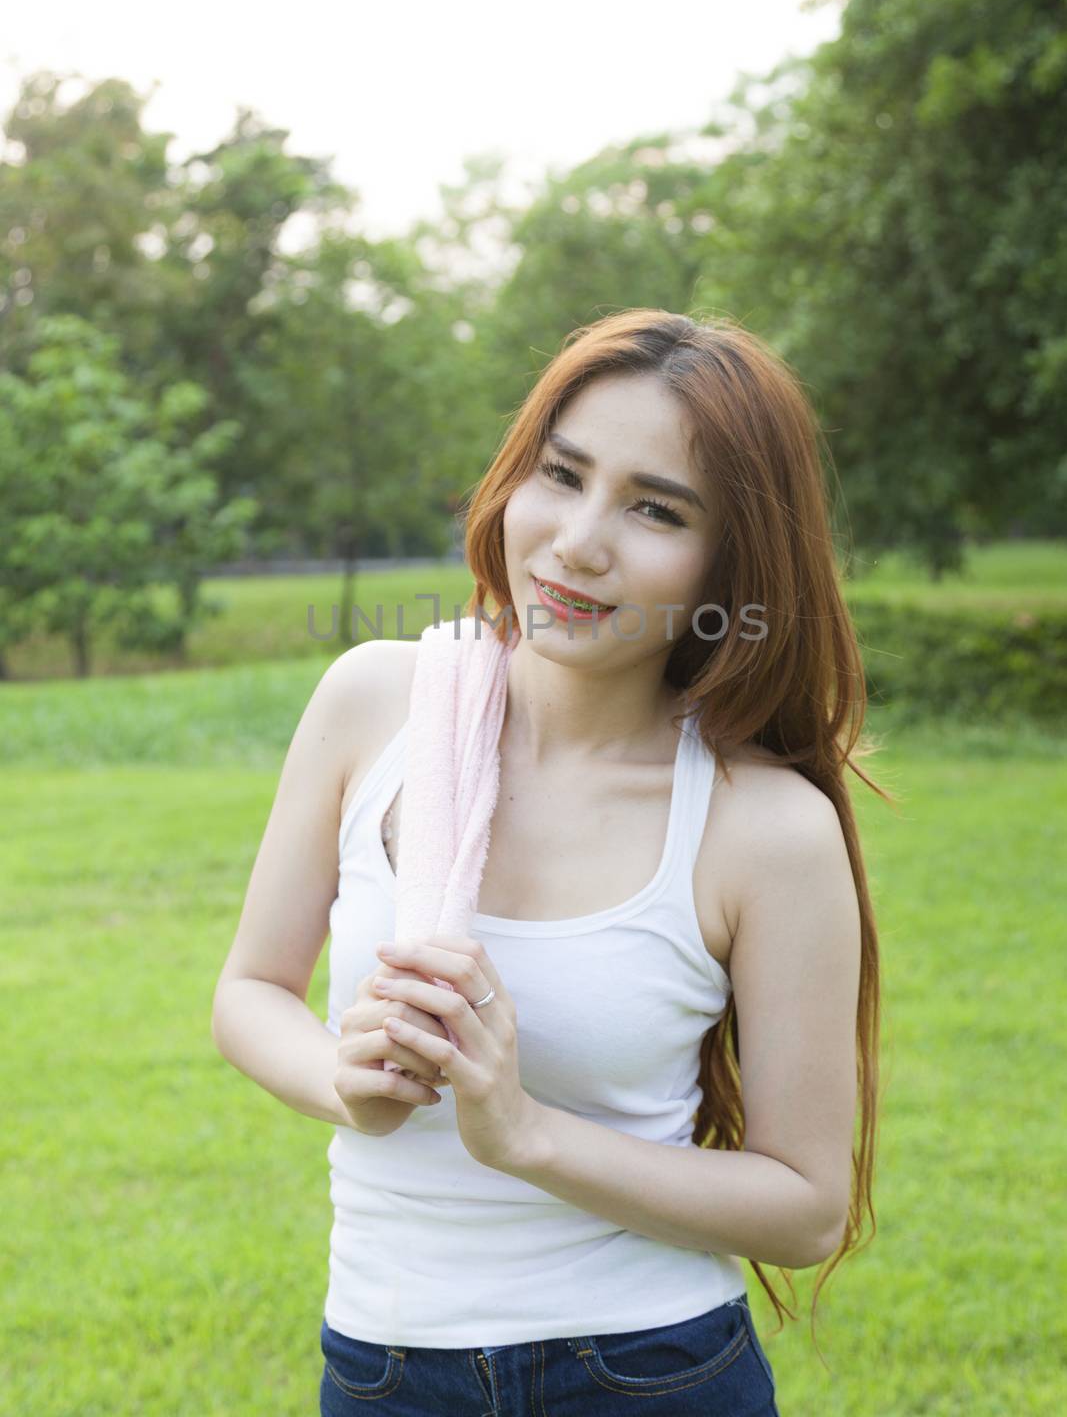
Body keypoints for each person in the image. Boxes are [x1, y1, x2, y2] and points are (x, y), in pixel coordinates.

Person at [212, 308, 886, 1415]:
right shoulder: (377, 704)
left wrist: (523, 1133)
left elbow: (803, 1205)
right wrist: (342, 1078)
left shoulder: (760, 827)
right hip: (381, 1370)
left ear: (732, 557)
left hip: (646, 1370)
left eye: (654, 508)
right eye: (560, 475)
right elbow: (248, 993)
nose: (577, 540)